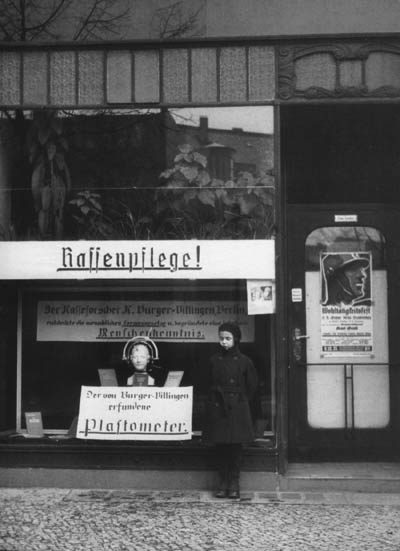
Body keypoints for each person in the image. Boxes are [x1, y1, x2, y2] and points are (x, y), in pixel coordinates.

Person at [202, 322, 258, 499]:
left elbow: (252, 386)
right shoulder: (214, 360)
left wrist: (240, 402)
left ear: (236, 339)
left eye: (228, 339)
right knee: (221, 446)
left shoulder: (244, 361)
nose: (224, 342)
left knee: (235, 447)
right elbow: (207, 382)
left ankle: (234, 482)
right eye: (221, 339)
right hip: (219, 407)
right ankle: (222, 481)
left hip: (237, 408)